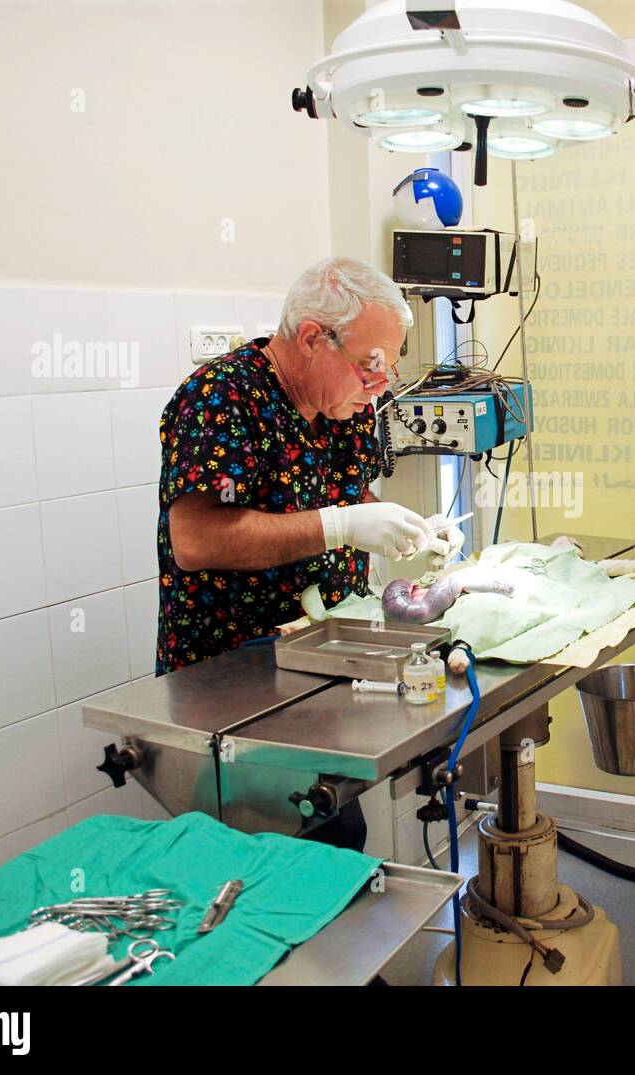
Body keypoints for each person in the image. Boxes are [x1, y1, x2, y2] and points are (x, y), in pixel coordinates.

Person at [154, 256, 461, 849]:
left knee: (335, 838)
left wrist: (405, 526)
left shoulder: (343, 404)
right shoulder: (221, 398)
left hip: (320, 669)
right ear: (314, 337)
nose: (381, 386)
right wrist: (340, 526)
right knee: (262, 860)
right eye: (371, 366)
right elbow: (195, 541)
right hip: (234, 686)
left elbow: (352, 496)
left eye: (389, 369)